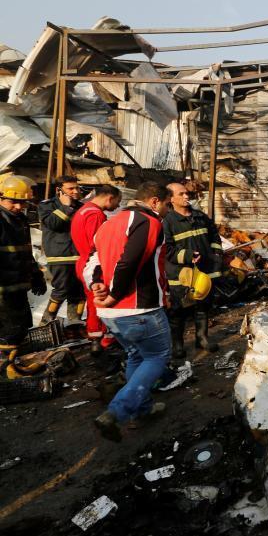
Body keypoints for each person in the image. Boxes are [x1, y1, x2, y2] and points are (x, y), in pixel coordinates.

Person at [83, 182, 172, 442]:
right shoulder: (147, 222)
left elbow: (93, 261)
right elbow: (130, 261)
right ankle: (116, 412)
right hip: (138, 306)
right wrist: (114, 294)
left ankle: (141, 410)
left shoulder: (109, 223)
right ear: (154, 201)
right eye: (166, 204)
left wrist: (97, 285)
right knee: (157, 356)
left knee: (136, 355)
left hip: (112, 314)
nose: (166, 210)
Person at [163, 182, 223, 358]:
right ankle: (178, 345)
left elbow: (214, 236)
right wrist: (188, 255)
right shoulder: (167, 222)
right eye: (181, 194)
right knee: (178, 311)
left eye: (187, 193)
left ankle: (202, 338)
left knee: (203, 307)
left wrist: (216, 255)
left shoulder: (200, 217)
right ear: (171, 199)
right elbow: (167, 249)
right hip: (181, 276)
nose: (186, 196)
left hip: (203, 273)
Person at [0, 175, 46, 367]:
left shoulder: (20, 221)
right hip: (3, 289)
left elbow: (26, 252)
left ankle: (9, 366)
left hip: (17, 286)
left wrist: (36, 275)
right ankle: (6, 370)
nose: (19, 207)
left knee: (19, 328)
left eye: (22, 203)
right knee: (7, 332)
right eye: (13, 202)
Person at [72, 185, 122, 354]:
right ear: (110, 197)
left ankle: (95, 339)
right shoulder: (96, 214)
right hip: (95, 264)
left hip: (84, 262)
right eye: (117, 202)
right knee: (101, 303)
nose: (117, 206)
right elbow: (98, 242)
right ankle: (106, 342)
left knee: (93, 303)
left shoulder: (83, 211)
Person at [37, 176, 85, 324]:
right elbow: (53, 224)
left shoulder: (81, 206)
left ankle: (75, 323)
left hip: (79, 256)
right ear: (59, 190)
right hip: (60, 257)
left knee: (79, 292)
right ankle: (46, 322)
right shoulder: (47, 205)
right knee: (62, 289)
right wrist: (66, 207)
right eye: (70, 189)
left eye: (76, 188)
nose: (75, 191)